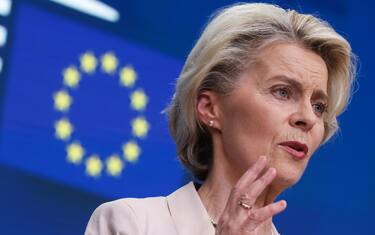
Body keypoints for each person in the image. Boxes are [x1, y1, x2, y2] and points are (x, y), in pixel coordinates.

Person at [85, 2, 356, 235]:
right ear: (210, 108)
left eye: (319, 106)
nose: (308, 117)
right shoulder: (132, 224)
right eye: (282, 92)